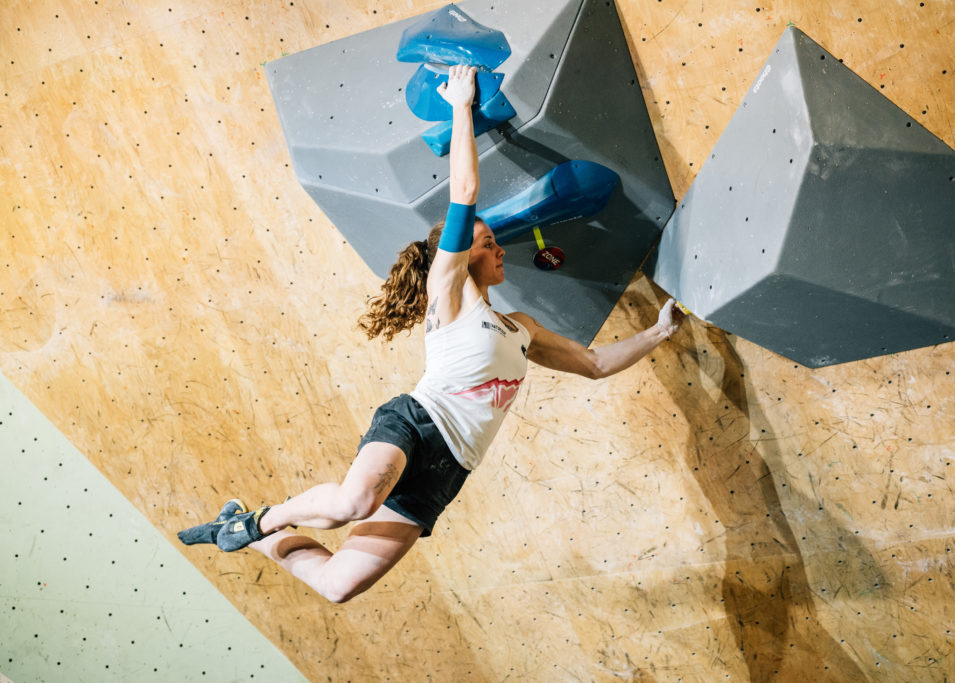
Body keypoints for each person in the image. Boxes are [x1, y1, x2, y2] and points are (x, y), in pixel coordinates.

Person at [178, 65, 686, 603]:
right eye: (486, 242)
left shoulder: (524, 329)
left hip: (450, 469)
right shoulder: (450, 295)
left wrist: (658, 331)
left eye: (494, 243)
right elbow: (464, 190)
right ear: (459, 257)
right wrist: (461, 106)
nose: (497, 250)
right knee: (355, 504)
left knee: (336, 585)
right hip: (418, 425)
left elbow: (595, 365)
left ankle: (238, 527)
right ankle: (263, 521)